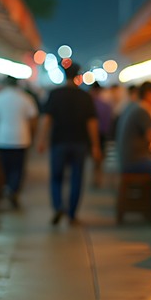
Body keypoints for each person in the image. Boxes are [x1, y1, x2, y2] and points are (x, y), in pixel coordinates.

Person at [38, 72, 101, 224]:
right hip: (79, 142)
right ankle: (72, 213)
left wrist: (41, 140)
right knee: (77, 177)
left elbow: (47, 118)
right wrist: (95, 146)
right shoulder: (85, 96)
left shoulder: (54, 94)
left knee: (56, 177)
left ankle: (58, 205)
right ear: (78, 77)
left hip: (58, 142)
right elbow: (91, 123)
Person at [0, 76, 38, 208]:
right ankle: (13, 190)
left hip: (2, 138)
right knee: (18, 168)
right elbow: (33, 120)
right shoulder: (25, 98)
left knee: (5, 167)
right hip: (21, 138)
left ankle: (8, 187)